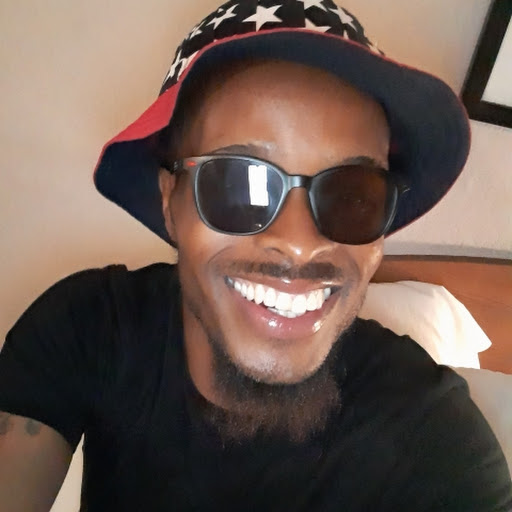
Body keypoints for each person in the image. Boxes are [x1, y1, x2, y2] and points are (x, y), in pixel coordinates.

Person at [0, 0, 511, 510]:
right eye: (239, 183)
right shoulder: (89, 327)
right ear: (170, 203)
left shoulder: (434, 434)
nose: (300, 242)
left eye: (352, 194)